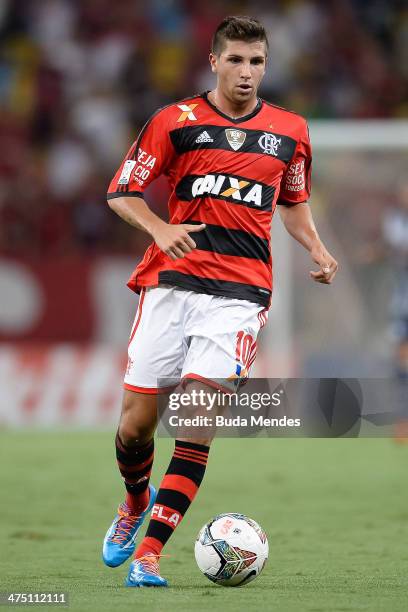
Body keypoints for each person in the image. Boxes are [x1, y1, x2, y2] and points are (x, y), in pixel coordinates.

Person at [102, 15, 338, 587]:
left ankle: (150, 554)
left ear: (266, 66)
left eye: (256, 62)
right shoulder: (175, 120)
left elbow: (293, 200)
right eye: (235, 60)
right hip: (171, 283)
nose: (247, 72)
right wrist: (160, 229)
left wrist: (317, 247)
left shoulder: (290, 131)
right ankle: (135, 502)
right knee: (136, 426)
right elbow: (121, 192)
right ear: (213, 61)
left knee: (197, 417)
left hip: (239, 294)